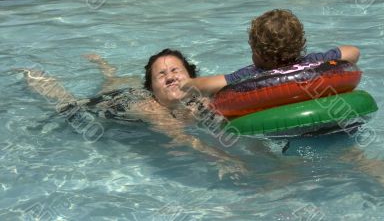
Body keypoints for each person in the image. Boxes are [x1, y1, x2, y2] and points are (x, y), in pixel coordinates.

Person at [22, 48, 247, 179]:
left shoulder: (200, 100)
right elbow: (181, 137)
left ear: (192, 76)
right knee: (67, 106)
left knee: (112, 81)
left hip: (131, 94)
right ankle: (43, 82)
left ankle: (107, 71)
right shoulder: (150, 107)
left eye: (175, 70)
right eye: (161, 75)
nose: (170, 76)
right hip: (107, 108)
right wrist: (223, 158)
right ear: (152, 88)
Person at [181, 9, 361, 95]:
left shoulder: (254, 75)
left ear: (259, 53)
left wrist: (185, 83)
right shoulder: (314, 61)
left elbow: (209, 84)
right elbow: (353, 52)